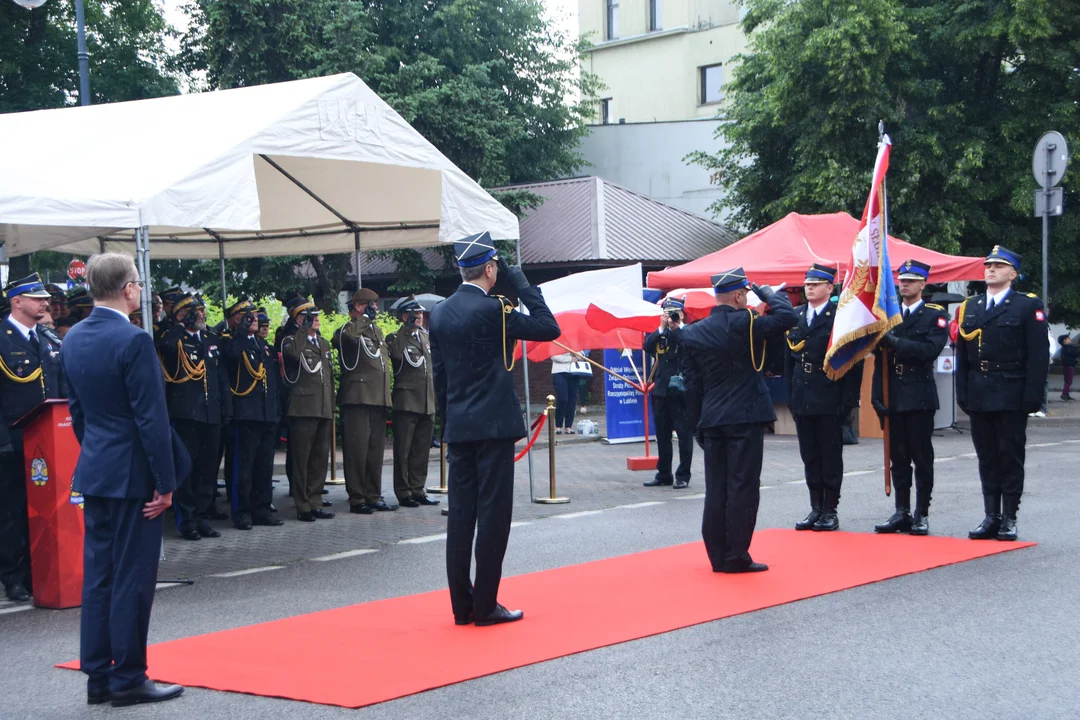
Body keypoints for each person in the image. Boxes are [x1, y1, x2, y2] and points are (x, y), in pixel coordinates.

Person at [62, 253, 185, 707]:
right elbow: (151, 420)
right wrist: (166, 482)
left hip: (95, 471)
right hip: (134, 476)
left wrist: (97, 455)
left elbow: (77, 413)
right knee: (133, 579)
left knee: (99, 579)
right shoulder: (134, 341)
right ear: (128, 288)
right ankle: (129, 676)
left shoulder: (72, 338)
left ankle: (98, 676)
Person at [430, 231, 560, 626]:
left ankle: (461, 606)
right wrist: (520, 281)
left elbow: (441, 378)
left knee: (460, 517)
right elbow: (547, 327)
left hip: (460, 426)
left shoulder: (438, 313)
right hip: (495, 427)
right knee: (493, 515)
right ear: (490, 269)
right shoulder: (496, 310)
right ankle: (486, 605)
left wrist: (445, 425)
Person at [681, 269, 797, 573]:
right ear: (738, 295)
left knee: (716, 488)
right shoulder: (748, 323)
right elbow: (788, 317)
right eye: (745, 293)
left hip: (711, 419)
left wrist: (697, 424)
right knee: (742, 487)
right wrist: (768, 293)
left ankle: (717, 555)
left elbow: (692, 384)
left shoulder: (695, 331)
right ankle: (736, 555)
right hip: (745, 417)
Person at [957, 246, 1049, 541]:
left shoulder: (1026, 306)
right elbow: (963, 357)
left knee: (1010, 456)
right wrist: (963, 392)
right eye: (988, 265)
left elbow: (1038, 355)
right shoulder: (971, 307)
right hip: (980, 392)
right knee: (986, 457)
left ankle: (1009, 516)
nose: (991, 269)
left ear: (1013, 273)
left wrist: (1033, 396)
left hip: (1011, 390)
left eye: (999, 266)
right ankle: (991, 515)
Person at [871, 260, 949, 536]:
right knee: (898, 457)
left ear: (922, 284)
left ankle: (921, 513)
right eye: (902, 280)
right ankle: (901, 511)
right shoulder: (888, 314)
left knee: (921, 456)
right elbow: (879, 361)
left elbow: (930, 350)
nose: (905, 284)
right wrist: (876, 394)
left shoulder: (933, 314)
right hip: (892, 392)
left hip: (918, 394)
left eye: (911, 280)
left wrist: (895, 342)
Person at [0, 273, 64, 603]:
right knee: (12, 512)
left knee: (43, 511)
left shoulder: (48, 339)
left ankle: (36, 572)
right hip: (13, 441)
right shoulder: (2, 339)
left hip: (49, 441)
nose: (45, 302)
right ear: (17, 302)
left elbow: (62, 389)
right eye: (36, 298)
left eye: (44, 298)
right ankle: (12, 576)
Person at [785, 264, 863, 532]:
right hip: (802, 393)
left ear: (830, 288)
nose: (809, 287)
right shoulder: (796, 316)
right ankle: (815, 507)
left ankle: (830, 509)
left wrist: (849, 401)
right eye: (807, 283)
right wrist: (790, 395)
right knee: (810, 456)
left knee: (830, 456)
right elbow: (789, 362)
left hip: (830, 392)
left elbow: (853, 362)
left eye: (816, 283)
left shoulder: (838, 318)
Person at [159, 293, 230, 540]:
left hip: (211, 414)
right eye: (193, 312)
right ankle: (186, 520)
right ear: (181, 315)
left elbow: (221, 378)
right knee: (186, 471)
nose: (200, 315)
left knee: (207, 471)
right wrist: (180, 326)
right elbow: (167, 349)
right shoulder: (173, 339)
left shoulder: (211, 339)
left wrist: (225, 410)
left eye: (200, 311)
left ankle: (202, 517)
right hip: (187, 415)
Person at [334, 288, 397, 514]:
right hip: (357, 398)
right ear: (360, 306)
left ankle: (373, 494)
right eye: (371, 305)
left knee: (374, 451)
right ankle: (357, 497)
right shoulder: (347, 329)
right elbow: (348, 338)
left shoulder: (376, 331)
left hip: (377, 398)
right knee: (357, 451)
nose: (376, 309)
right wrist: (362, 319)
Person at [223, 300, 283, 530]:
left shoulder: (262, 344)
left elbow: (272, 381)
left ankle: (262, 509)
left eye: (256, 315)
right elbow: (231, 357)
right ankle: (242, 512)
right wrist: (240, 332)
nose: (255, 319)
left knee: (264, 467)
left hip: (266, 414)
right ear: (237, 318)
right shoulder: (231, 341)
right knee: (244, 468)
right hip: (246, 414)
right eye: (249, 315)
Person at [281, 297, 336, 522]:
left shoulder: (322, 343)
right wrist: (302, 331)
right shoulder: (290, 340)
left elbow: (328, 376)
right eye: (311, 317)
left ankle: (315, 501)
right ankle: (302, 504)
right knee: (301, 460)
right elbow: (293, 355)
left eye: (317, 317)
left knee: (319, 459)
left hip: (322, 407)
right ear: (300, 320)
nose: (317, 321)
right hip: (303, 408)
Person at [386, 297, 440, 507]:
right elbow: (396, 355)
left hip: (426, 400)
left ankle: (418, 489)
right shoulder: (396, 337)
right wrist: (406, 330)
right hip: (407, 401)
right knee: (404, 449)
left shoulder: (425, 337)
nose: (418, 316)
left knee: (421, 449)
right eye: (413, 314)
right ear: (403, 316)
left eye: (419, 313)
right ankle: (403, 491)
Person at [643, 297, 694, 488]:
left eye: (675, 314)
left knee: (683, 435)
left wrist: (675, 328)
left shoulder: (688, 331)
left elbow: (688, 345)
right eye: (668, 314)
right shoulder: (660, 334)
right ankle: (664, 474)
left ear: (682, 314)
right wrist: (662, 328)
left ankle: (683, 475)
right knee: (662, 436)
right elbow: (647, 347)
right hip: (662, 390)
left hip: (681, 392)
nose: (672, 317)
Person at [550, 352, 580, 434]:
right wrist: (570, 359)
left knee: (572, 399)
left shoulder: (574, 342)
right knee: (562, 399)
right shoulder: (556, 341)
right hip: (559, 372)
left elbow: (582, 356)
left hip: (574, 372)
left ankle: (568, 426)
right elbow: (554, 356)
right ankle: (558, 426)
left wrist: (574, 352)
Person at [1060, 334, 1077, 401]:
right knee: (1069, 381)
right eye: (1068, 338)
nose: (1070, 339)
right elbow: (1075, 354)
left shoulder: (1064, 348)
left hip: (1066, 365)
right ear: (1065, 341)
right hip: (1069, 365)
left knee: (1067, 380)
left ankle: (1066, 394)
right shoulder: (1068, 347)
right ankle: (1064, 394)